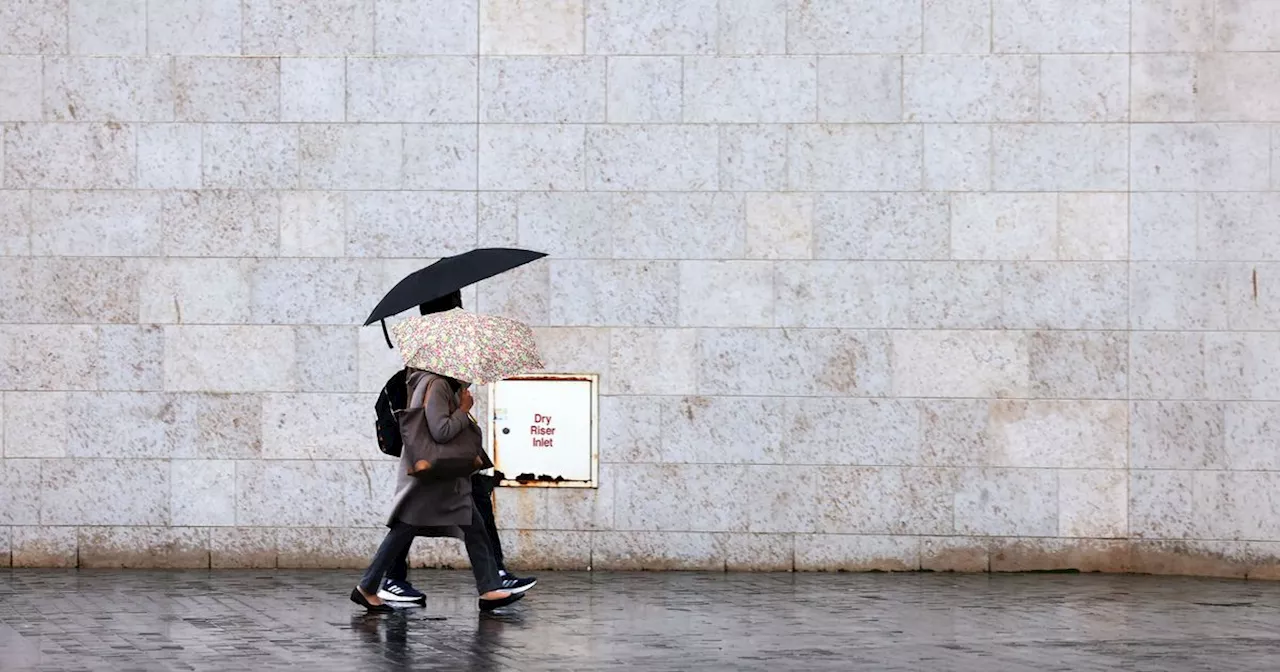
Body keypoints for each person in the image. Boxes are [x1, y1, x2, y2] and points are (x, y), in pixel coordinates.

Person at [374, 291, 536, 606]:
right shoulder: (433, 347)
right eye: (456, 302)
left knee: (473, 508)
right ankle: (383, 581)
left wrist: (456, 390)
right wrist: (461, 407)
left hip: (440, 453)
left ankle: (492, 578)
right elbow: (435, 416)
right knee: (409, 520)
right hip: (433, 453)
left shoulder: (433, 345)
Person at [353, 368, 520, 613]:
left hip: (445, 478)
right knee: (404, 529)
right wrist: (463, 410)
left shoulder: (433, 383)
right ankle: (367, 588)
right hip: (434, 478)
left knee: (474, 528)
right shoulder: (438, 384)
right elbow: (440, 431)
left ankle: (489, 589)